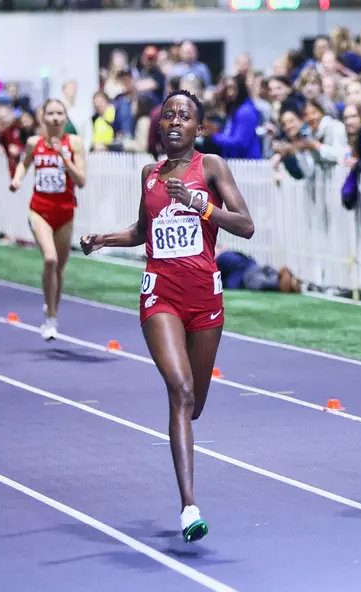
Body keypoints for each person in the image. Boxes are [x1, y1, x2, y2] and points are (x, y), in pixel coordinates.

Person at [79, 90, 255, 543]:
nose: (175, 121)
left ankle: (185, 446)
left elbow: (246, 225)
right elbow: (143, 230)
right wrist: (104, 239)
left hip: (205, 298)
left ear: (199, 128)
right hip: (161, 293)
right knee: (179, 390)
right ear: (160, 127)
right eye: (169, 115)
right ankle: (189, 506)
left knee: (194, 403)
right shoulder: (149, 173)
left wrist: (201, 205)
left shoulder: (211, 167)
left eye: (185, 116)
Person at [9, 99, 87, 341]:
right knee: (50, 259)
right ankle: (50, 318)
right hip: (39, 210)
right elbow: (23, 165)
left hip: (65, 212)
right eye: (50, 113)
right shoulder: (35, 143)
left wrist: (64, 157)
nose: (55, 118)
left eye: (59, 113)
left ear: (65, 118)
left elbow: (81, 180)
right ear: (43, 117)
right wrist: (17, 179)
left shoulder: (74, 143)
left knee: (59, 269)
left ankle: (51, 306)